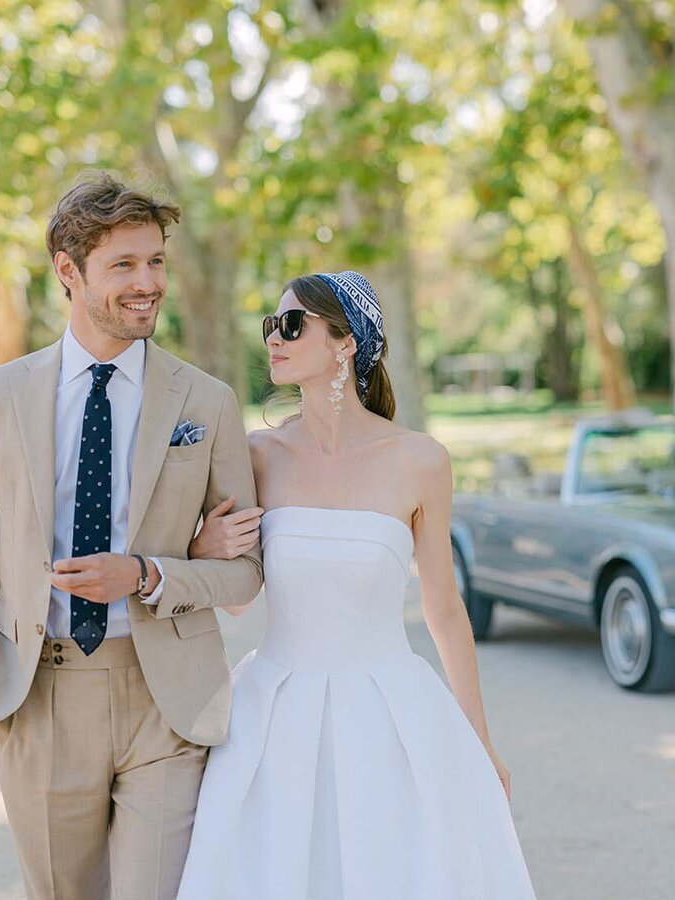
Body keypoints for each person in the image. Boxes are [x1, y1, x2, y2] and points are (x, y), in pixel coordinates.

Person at [0, 172, 263, 900]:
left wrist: (148, 573)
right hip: (41, 694)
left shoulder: (206, 401)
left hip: (167, 699)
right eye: (123, 265)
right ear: (68, 270)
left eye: (155, 263)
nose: (147, 283)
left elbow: (246, 575)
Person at [176, 271, 536, 899]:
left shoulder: (422, 460)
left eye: (293, 325)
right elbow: (237, 598)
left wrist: (480, 742)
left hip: (388, 711)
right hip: (275, 713)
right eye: (271, 325)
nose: (274, 339)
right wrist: (204, 548)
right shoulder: (258, 455)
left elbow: (445, 611)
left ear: (346, 343)